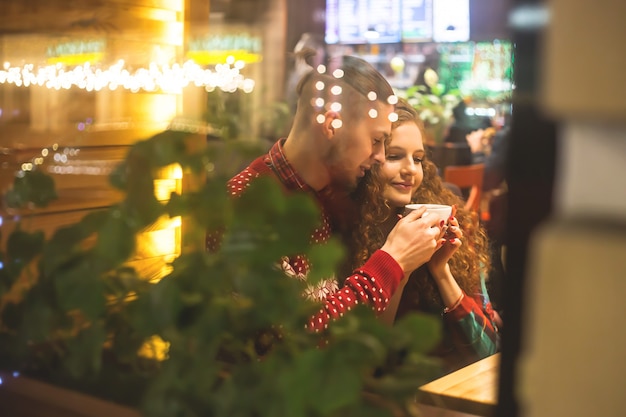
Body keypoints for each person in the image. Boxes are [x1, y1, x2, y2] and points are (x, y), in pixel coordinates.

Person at [210, 53, 447, 332]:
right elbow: (294, 343)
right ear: (330, 124)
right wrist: (391, 260)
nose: (380, 156)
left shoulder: (325, 196)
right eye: (376, 140)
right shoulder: (246, 206)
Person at [345, 98, 499, 372]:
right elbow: (368, 363)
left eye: (417, 159)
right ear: (369, 159)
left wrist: (441, 271)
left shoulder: (449, 218)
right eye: (394, 156)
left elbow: (488, 348)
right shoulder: (345, 229)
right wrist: (399, 265)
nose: (410, 170)